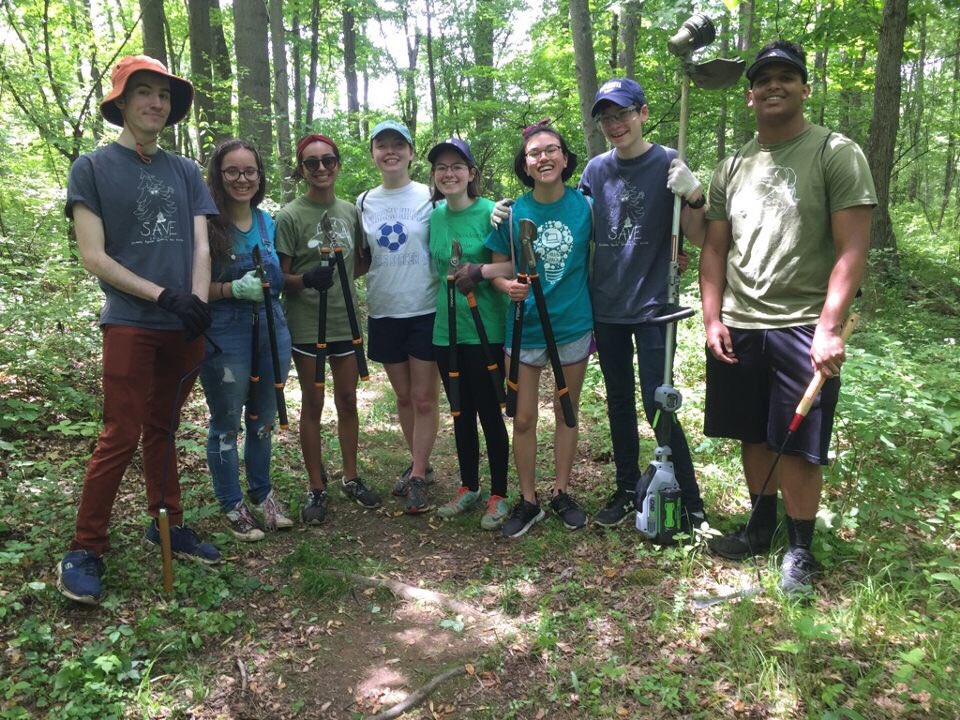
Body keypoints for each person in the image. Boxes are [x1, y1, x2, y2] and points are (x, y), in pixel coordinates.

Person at [697, 41, 876, 593]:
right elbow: (714, 249)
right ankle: (760, 527)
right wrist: (712, 319)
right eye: (764, 79)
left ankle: (801, 550)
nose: (774, 86)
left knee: (797, 442)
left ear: (804, 87)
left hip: (803, 322)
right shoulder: (734, 163)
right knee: (753, 432)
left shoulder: (834, 152)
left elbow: (853, 248)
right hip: (741, 321)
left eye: (786, 77)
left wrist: (828, 325)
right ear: (750, 95)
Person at [57, 55, 220, 605]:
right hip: (131, 322)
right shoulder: (93, 168)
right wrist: (162, 295)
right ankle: (85, 547)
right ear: (121, 103)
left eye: (164, 96)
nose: (156, 103)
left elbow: (199, 242)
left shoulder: (185, 171)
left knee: (165, 427)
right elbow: (93, 257)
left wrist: (195, 301)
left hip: (183, 323)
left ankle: (168, 523)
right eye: (144, 92)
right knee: (120, 432)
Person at [579, 77, 708, 532]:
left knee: (660, 401)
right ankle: (626, 489)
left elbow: (697, 235)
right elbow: (577, 229)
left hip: (657, 306)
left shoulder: (668, 161)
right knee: (618, 402)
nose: (615, 124)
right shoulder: (594, 171)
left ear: (643, 113)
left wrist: (694, 195)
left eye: (623, 114)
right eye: (607, 117)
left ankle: (688, 499)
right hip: (607, 305)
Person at [486, 121, 594, 538]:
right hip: (525, 326)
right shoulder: (512, 213)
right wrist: (504, 285)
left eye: (552, 150)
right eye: (534, 153)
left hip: (572, 323)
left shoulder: (586, 207)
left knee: (567, 412)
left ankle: (562, 491)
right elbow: (498, 266)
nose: (543, 157)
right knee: (525, 417)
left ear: (565, 159)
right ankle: (528, 499)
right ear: (525, 165)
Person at [276, 134, 381, 524]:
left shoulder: (350, 211)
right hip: (307, 326)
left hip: (346, 322)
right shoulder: (289, 216)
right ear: (301, 169)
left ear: (337, 164)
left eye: (327, 160)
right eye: (311, 163)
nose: (321, 168)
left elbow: (360, 261)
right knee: (313, 404)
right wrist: (306, 280)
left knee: (349, 400)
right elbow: (280, 276)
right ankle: (316, 486)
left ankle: (351, 477)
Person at [200, 139, 293, 541]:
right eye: (233, 171)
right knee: (226, 422)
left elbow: (279, 277)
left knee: (263, 419)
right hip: (225, 330)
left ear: (260, 175)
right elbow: (194, 288)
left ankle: (262, 493)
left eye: (249, 171)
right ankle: (231, 502)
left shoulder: (266, 221)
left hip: (271, 325)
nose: (242, 179)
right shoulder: (206, 223)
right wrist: (233, 290)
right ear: (219, 176)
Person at [426, 138, 511, 529]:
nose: (449, 173)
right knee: (461, 411)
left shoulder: (491, 213)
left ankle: (499, 493)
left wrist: (480, 272)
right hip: (447, 332)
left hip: (486, 328)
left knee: (490, 413)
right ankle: (468, 486)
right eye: (441, 167)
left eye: (457, 166)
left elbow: (511, 264)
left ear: (471, 173)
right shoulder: (434, 216)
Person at [356, 121, 439, 514]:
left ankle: (419, 474)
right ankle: (416, 461)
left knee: (424, 397)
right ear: (373, 154)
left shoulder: (430, 195)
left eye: (398, 145)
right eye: (382, 145)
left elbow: (462, 219)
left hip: (425, 307)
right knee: (404, 396)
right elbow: (361, 256)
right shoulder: (363, 202)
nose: (390, 151)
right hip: (385, 308)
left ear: (410, 152)